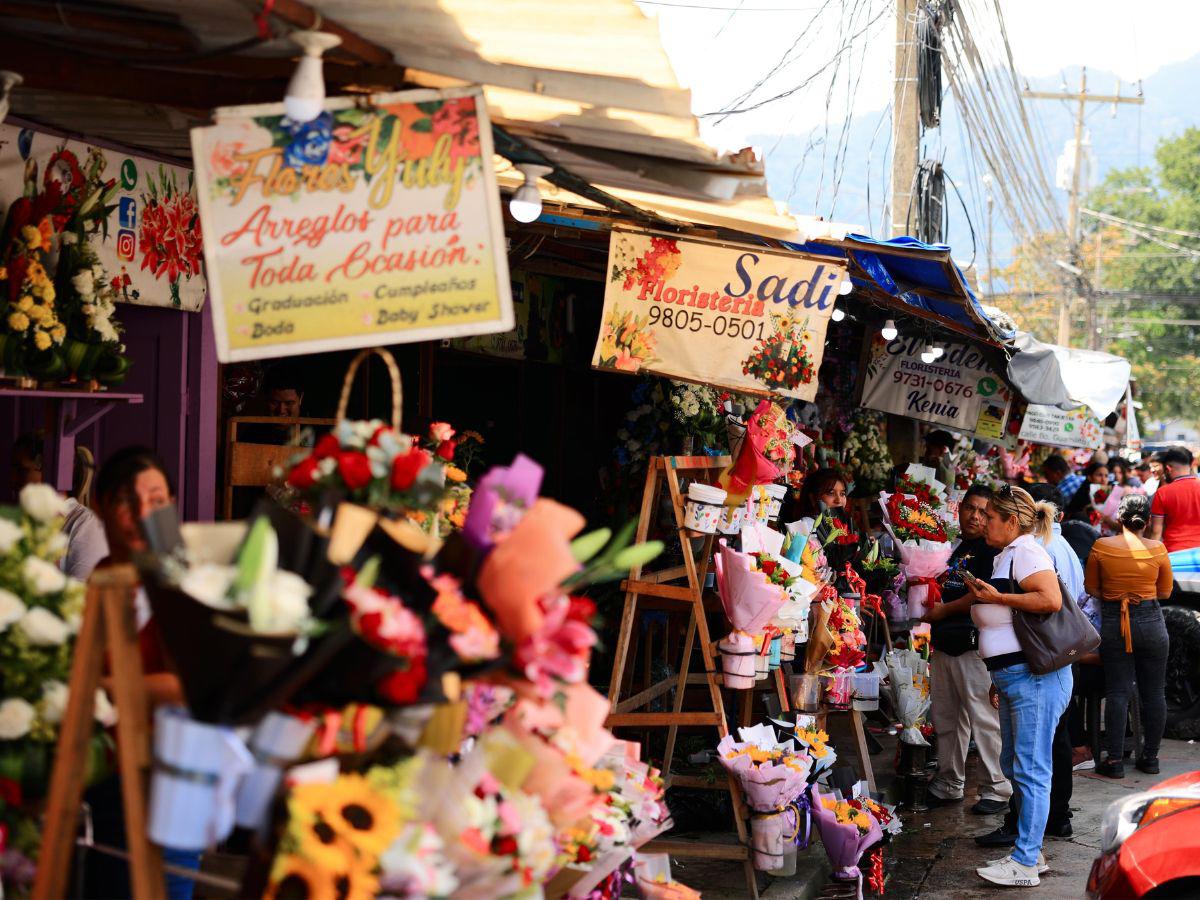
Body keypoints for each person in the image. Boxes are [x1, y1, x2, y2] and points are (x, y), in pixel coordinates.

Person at [84, 446, 196, 900]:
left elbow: (190, 686)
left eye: (157, 500)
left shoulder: (184, 582)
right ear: (100, 506)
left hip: (173, 779)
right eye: (126, 501)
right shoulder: (99, 579)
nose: (142, 514)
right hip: (105, 778)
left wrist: (98, 688)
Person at [966, 484, 1070, 888]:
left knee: (1031, 768)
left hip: (1034, 677)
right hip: (1014, 676)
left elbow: (1050, 599)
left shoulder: (1026, 551)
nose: (983, 522)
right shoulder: (1008, 553)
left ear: (1012, 521)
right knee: (1014, 764)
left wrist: (999, 599)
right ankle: (1032, 850)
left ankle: (1025, 861)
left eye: (990, 517)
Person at [921, 484, 1011, 815]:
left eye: (983, 512)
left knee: (984, 720)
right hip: (944, 643)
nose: (975, 516)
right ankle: (948, 782)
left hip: (974, 646)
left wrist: (944, 610)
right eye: (969, 508)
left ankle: (996, 788)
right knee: (946, 719)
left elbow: (981, 594)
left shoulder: (992, 550)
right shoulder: (954, 547)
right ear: (959, 510)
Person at [1086, 494, 1173, 778]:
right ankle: (1150, 758)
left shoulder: (1101, 546)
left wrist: (1117, 595)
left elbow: (1091, 588)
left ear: (1118, 519)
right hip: (1151, 621)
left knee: (1117, 691)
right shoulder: (1158, 549)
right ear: (1147, 521)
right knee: (1154, 692)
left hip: (1115, 620)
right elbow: (1165, 592)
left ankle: (1114, 761)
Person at [10, 433, 108, 581]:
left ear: (50, 470)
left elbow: (83, 593)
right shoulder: (18, 520)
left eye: (21, 470)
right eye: (13, 469)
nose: (13, 479)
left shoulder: (85, 525)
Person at [1148, 446, 1200, 552]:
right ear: (1190, 465)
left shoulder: (1162, 493)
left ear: (1168, 468)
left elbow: (1156, 533)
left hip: (1174, 553)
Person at [1063, 460, 1110, 527]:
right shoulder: (1083, 496)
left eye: (1106, 476)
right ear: (1089, 477)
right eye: (1099, 475)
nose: (1103, 479)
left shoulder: (1109, 495)